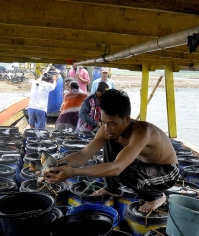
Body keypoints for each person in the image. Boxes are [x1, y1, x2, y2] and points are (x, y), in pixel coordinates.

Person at [45, 89, 179, 213]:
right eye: (104, 122)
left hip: (166, 171)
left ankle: (156, 196)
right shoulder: (107, 130)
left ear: (127, 119)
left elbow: (116, 168)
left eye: (112, 123)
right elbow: (84, 154)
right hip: (143, 166)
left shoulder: (142, 132)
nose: (107, 128)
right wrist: (57, 165)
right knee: (111, 139)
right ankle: (111, 188)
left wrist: (72, 172)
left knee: (122, 170)